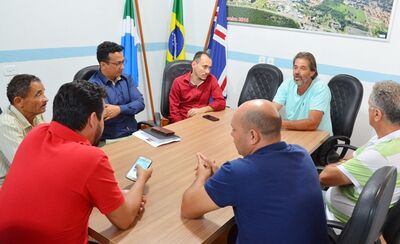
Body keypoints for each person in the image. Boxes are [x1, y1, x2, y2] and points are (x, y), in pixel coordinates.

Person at [0, 81, 153, 243]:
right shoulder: (91, 158)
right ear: (93, 119)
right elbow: (125, 219)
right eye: (103, 116)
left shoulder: (36, 133)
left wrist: (112, 196)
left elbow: (60, 185)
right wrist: (141, 178)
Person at [181, 99, 328, 243]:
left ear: (253, 136)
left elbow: (188, 208)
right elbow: (268, 183)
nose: (231, 135)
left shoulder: (237, 172)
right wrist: (221, 176)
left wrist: (202, 176)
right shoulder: (301, 153)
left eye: (234, 129)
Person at [320, 80, 400, 223]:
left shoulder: (378, 155)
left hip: (336, 222)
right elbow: (354, 157)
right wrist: (348, 169)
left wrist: (341, 168)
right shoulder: (385, 141)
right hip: (363, 216)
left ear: (377, 114)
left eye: (369, 106)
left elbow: (325, 177)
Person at [89, 41, 145, 141]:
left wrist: (119, 109)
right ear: (103, 65)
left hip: (134, 133)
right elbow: (105, 113)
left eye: (123, 62)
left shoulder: (126, 79)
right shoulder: (93, 86)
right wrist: (129, 108)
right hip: (111, 139)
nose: (122, 67)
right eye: (118, 63)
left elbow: (140, 103)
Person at [0, 74, 47, 185]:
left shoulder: (36, 114)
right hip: (8, 183)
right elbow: (24, 165)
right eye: (38, 95)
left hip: (32, 176)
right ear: (18, 101)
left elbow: (49, 145)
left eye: (43, 93)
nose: (45, 99)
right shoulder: (6, 124)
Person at [273, 52, 332, 134]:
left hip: (318, 138)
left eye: (302, 68)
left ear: (312, 72)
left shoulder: (320, 88)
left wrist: (281, 123)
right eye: (295, 67)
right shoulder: (287, 83)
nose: (297, 72)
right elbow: (272, 109)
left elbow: (312, 123)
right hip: (293, 133)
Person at [169, 51, 226, 123]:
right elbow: (174, 112)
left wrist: (202, 110)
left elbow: (221, 102)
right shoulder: (178, 82)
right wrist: (181, 127)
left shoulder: (211, 79)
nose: (207, 71)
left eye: (209, 68)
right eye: (204, 67)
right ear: (194, 64)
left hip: (202, 121)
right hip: (184, 121)